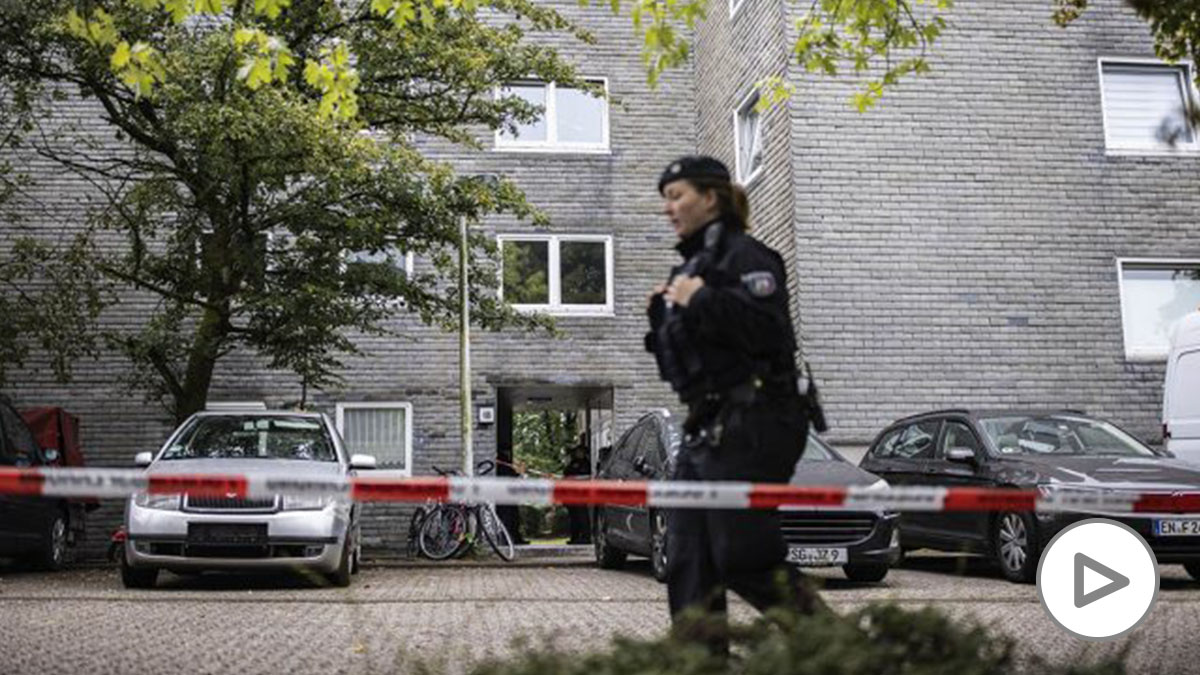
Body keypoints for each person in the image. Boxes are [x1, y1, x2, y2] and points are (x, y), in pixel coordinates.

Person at [645, 155, 826, 653]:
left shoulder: (747, 256)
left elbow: (770, 333)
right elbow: (687, 369)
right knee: (689, 561)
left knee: (745, 557)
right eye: (664, 198)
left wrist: (700, 300)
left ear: (711, 197)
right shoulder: (692, 266)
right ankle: (699, 664)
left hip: (757, 420)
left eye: (677, 195)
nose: (668, 208)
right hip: (707, 427)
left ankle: (851, 656)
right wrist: (660, 320)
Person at [563, 434, 592, 545]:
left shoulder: (586, 464)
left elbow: (588, 477)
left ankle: (585, 537)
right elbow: (566, 474)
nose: (578, 454)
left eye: (580, 452)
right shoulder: (572, 463)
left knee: (582, 516)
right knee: (574, 517)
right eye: (577, 452)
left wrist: (574, 478)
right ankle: (574, 537)